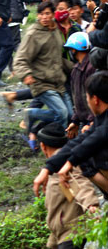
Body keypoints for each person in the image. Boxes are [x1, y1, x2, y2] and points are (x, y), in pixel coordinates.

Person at [35, 122, 99, 249]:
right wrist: (53, 242)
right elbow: (56, 212)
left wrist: (91, 205)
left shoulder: (66, 166)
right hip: (64, 237)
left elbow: (81, 184)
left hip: (73, 236)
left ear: (43, 146)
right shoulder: (55, 169)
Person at [34, 70, 108, 198]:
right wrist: (49, 167)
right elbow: (81, 140)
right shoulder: (100, 119)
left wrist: (70, 162)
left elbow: (97, 137)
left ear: (95, 99)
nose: (87, 100)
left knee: (90, 152)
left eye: (86, 96)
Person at [13, 0, 73, 151]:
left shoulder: (55, 31)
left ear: (53, 15)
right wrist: (25, 74)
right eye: (41, 14)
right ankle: (61, 147)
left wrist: (76, 68)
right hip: (41, 82)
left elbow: (57, 58)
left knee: (70, 115)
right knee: (62, 113)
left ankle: (61, 143)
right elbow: (20, 59)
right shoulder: (33, 34)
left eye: (47, 14)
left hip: (58, 81)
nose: (44, 17)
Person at [64, 32, 96, 139]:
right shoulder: (75, 70)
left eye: (70, 49)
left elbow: (95, 97)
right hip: (85, 122)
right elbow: (77, 98)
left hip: (93, 122)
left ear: (74, 50)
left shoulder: (91, 68)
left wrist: (91, 122)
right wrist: (75, 120)